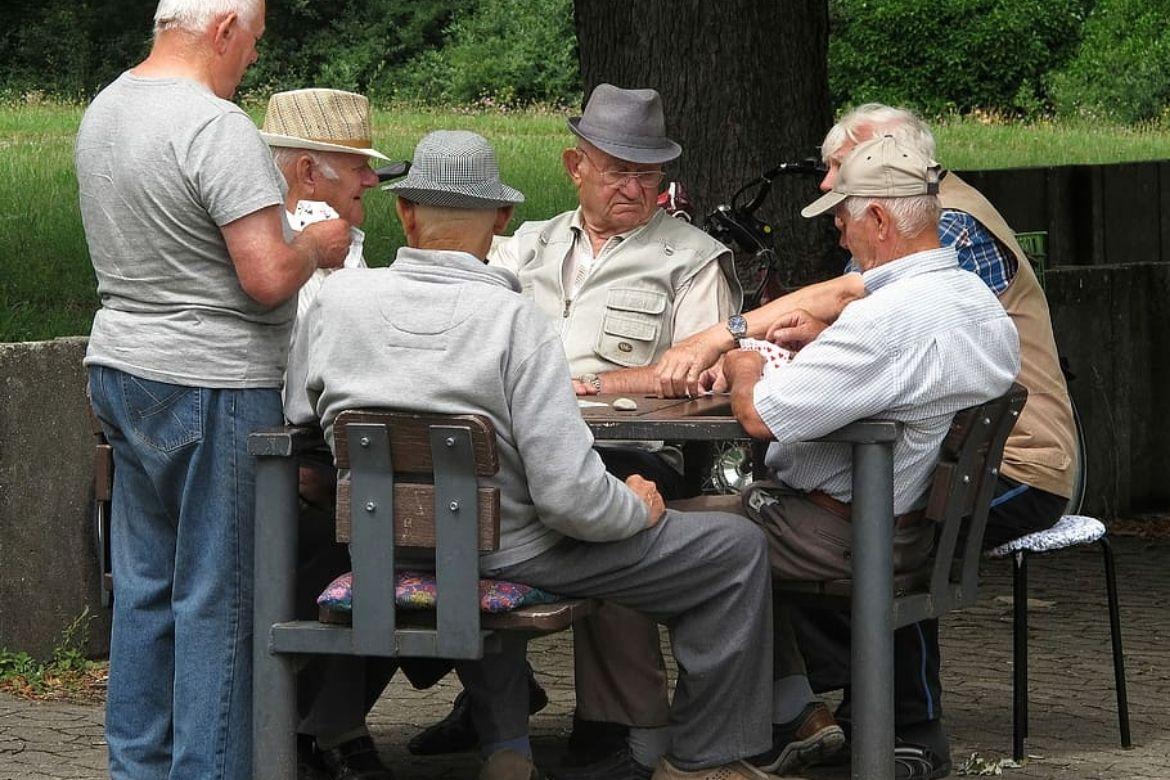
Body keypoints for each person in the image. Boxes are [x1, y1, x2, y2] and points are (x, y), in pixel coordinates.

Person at [284, 129, 780, 780]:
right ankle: (704, 761)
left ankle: (505, 747)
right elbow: (569, 498)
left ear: (404, 213)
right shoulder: (516, 319)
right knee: (736, 551)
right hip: (506, 548)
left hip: (377, 544)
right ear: (502, 220)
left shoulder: (336, 302)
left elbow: (300, 413)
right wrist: (634, 506)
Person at [410, 83, 743, 776]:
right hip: (510, 452)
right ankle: (495, 701)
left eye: (646, 174)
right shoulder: (520, 246)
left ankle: (619, 726)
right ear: (575, 167)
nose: (633, 187)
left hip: (627, 447)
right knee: (451, 503)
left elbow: (702, 379)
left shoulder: (693, 257)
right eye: (616, 169)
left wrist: (595, 387)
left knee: (611, 501)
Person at [76, 1, 351, 777]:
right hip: (212, 381)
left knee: (145, 589)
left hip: (122, 366)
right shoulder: (215, 124)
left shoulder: (106, 107)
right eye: (255, 41)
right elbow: (266, 277)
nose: (253, 59)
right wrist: (318, 243)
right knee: (220, 599)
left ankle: (137, 766)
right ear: (225, 28)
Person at [709, 133, 1021, 778]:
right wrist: (828, 347)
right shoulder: (973, 302)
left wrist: (743, 360)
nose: (840, 236)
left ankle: (688, 741)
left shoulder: (889, 317)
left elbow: (763, 416)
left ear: (878, 219)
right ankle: (790, 714)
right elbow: (903, 378)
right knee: (700, 525)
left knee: (643, 539)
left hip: (842, 531)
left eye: (844, 219)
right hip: (911, 527)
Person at [261, 86, 399, 780]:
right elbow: (330, 382)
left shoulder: (331, 241)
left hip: (323, 462)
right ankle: (320, 724)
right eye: (359, 165)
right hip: (285, 466)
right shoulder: (300, 249)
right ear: (309, 173)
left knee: (434, 524)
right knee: (419, 540)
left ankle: (325, 722)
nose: (373, 179)